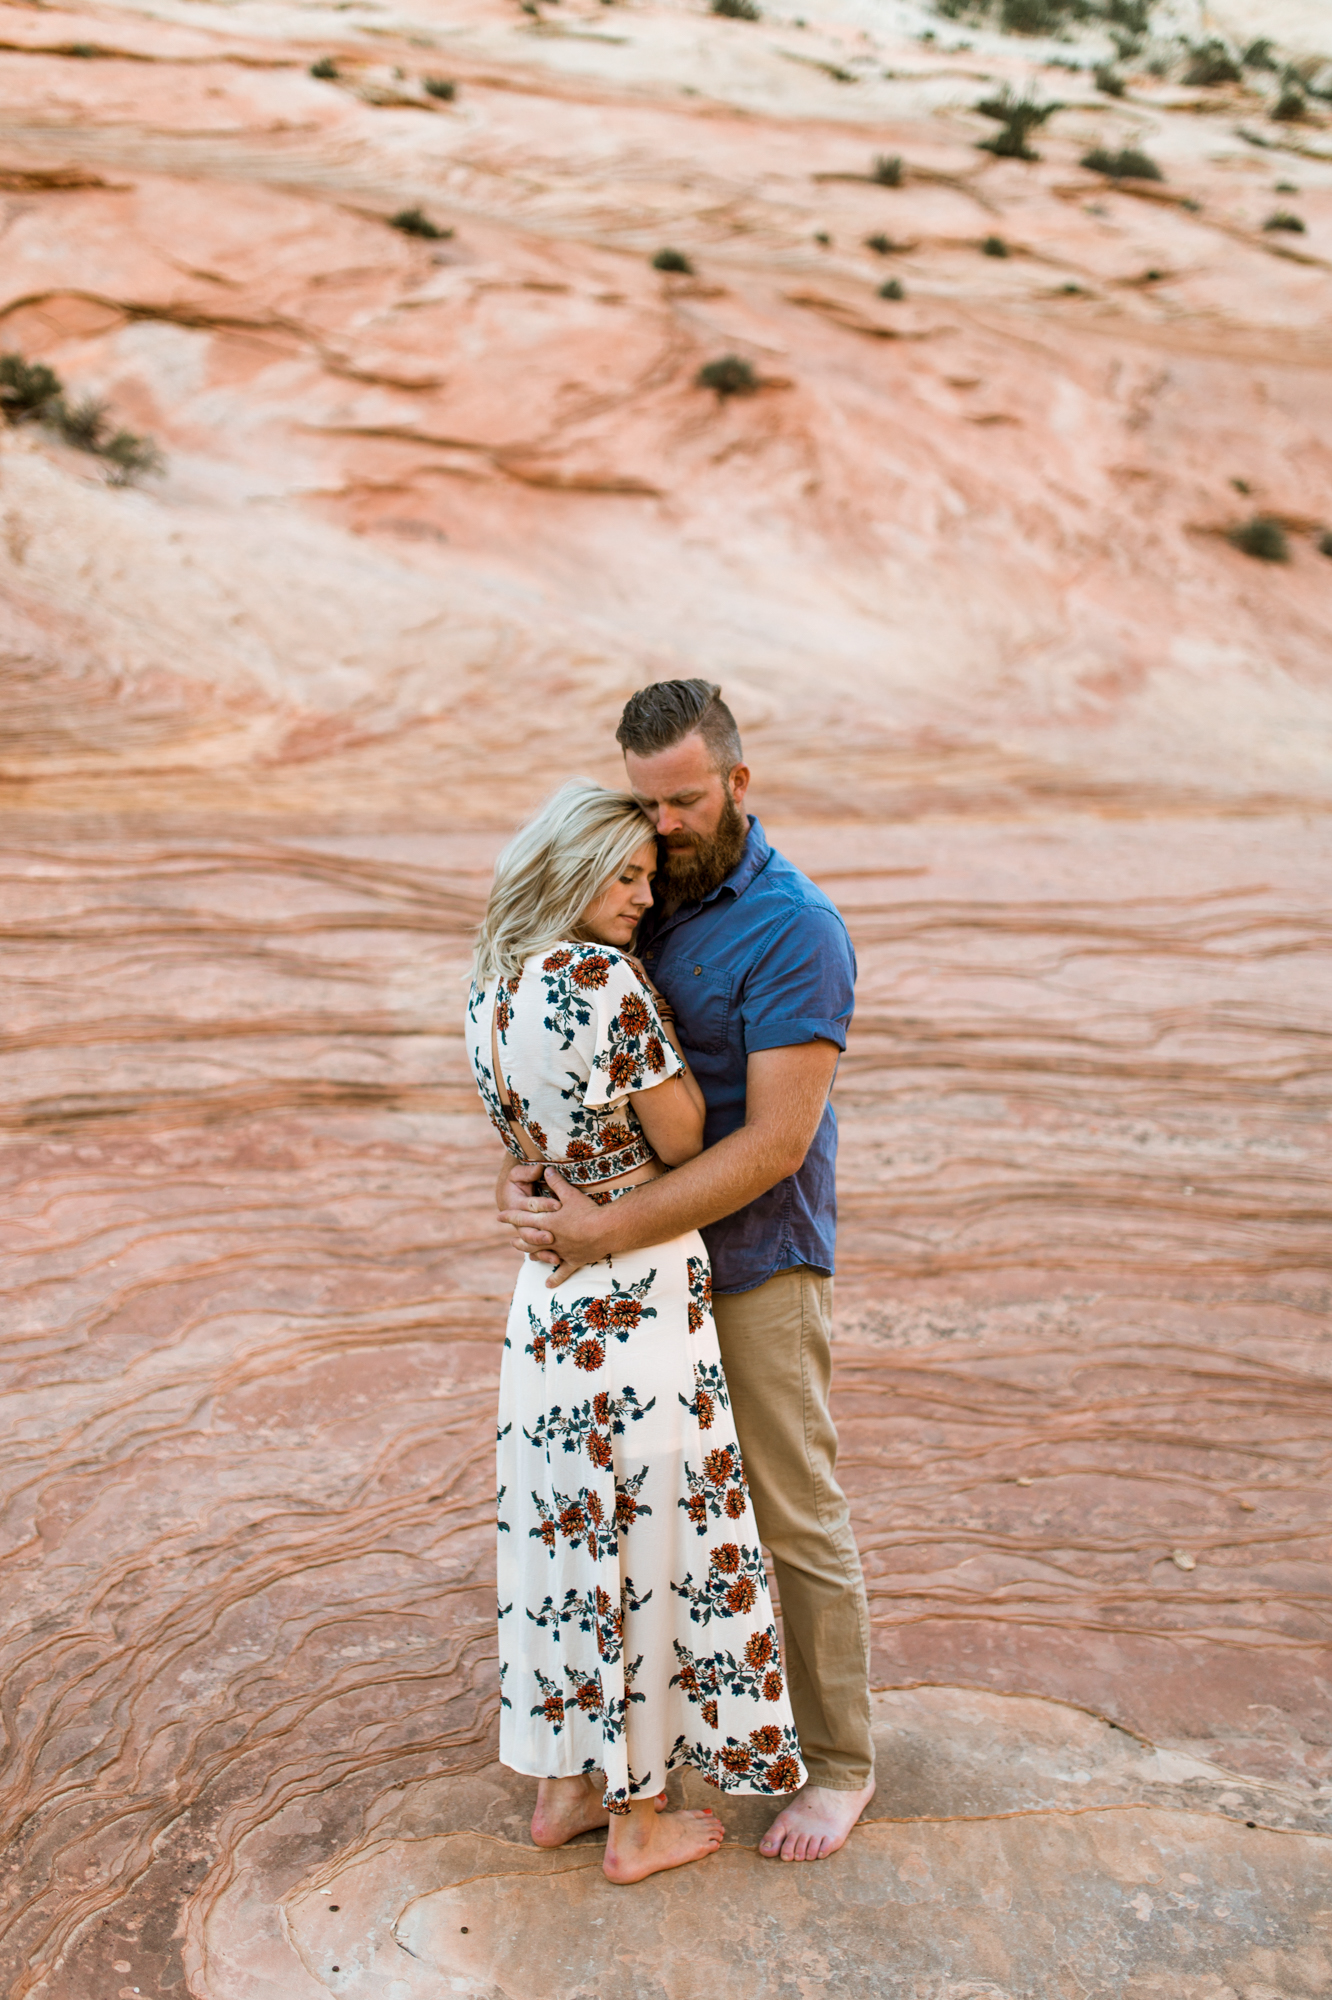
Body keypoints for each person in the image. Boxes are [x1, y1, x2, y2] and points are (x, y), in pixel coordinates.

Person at [499, 680, 876, 1864]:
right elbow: (562, 1057)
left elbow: (771, 1144)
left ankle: (841, 1764)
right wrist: (524, 1175)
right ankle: (638, 1765)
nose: (661, 825)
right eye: (644, 799)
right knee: (631, 1522)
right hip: (629, 1291)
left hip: (754, 1261)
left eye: (684, 798)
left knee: (786, 1507)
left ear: (737, 782)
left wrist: (602, 1229)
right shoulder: (627, 891)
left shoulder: (795, 928)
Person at [467, 779, 807, 1885]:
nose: (639, 896)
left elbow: (519, 1142)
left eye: (645, 876)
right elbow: (684, 1129)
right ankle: (638, 1816)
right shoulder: (605, 977)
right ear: (567, 875)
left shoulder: (489, 986)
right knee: (646, 1541)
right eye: (620, 877)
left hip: (546, 1299)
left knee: (564, 1537)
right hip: (634, 1289)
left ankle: (562, 1788)